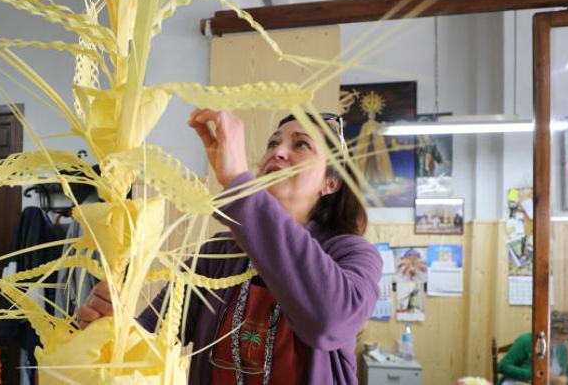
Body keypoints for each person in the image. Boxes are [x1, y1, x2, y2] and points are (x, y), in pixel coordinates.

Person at [76, 109, 383, 384]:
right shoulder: (218, 252)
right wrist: (107, 329)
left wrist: (238, 180)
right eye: (273, 143)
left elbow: (329, 321)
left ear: (331, 183)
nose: (277, 153)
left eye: (300, 144)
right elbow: (150, 339)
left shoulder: (353, 253)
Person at [498, 310, 568, 384]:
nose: (561, 343)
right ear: (548, 332)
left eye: (565, 340)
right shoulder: (526, 340)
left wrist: (567, 379)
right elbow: (502, 367)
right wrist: (541, 375)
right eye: (558, 339)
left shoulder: (562, 348)